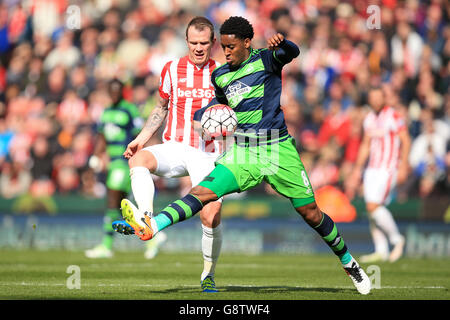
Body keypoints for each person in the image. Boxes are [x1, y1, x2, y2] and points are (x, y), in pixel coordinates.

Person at [116, 16, 371, 295]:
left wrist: (283, 43)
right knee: (201, 194)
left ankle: (348, 261)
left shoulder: (267, 59)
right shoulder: (220, 75)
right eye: (223, 47)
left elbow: (292, 53)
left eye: (231, 46)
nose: (226, 52)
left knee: (310, 213)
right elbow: (220, 106)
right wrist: (205, 116)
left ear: (247, 43)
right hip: (243, 152)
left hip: (277, 150)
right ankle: (153, 225)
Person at [112, 17, 224, 292]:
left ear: (213, 43)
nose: (199, 48)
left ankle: (208, 272)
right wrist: (141, 139)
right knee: (139, 160)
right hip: (174, 146)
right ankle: (146, 219)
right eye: (194, 43)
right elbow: (161, 107)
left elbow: (233, 111)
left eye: (204, 43)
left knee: (211, 215)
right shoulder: (172, 69)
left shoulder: (222, 72)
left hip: (206, 153)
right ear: (186, 42)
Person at [346, 86, 411, 263]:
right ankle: (380, 250)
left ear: (384, 98)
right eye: (372, 97)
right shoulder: (368, 119)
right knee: (371, 209)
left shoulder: (393, 116)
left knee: (373, 206)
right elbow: (365, 145)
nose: (375, 100)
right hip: (372, 169)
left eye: (378, 97)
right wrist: (357, 170)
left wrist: (404, 165)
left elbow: (405, 140)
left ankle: (397, 239)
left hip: (388, 168)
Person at [85, 79, 144, 258]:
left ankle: (106, 245)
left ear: (122, 91)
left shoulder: (130, 109)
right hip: (113, 161)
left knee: (112, 200)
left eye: (118, 90)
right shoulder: (106, 112)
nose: (115, 93)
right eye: (112, 90)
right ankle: (153, 236)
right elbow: (102, 137)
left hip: (125, 161)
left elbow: (140, 134)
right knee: (121, 206)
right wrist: (96, 155)